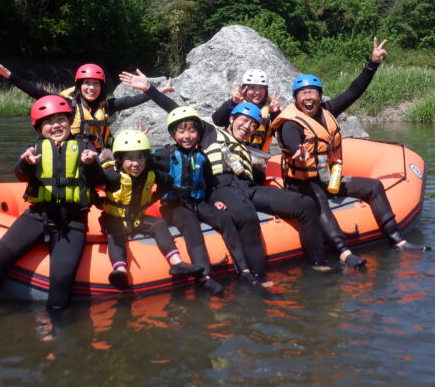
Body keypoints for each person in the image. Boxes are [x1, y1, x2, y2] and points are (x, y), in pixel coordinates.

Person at [119, 69, 332, 287]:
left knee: (305, 204)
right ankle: (258, 278)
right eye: (243, 120)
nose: (247, 127)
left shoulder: (250, 149)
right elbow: (181, 114)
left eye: (253, 124)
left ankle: (317, 261)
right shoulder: (211, 134)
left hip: (248, 188)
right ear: (231, 119)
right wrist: (150, 90)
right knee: (246, 215)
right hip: (220, 185)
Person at [271, 37, 429, 270]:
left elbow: (354, 91)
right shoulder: (289, 122)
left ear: (319, 96)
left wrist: (372, 63)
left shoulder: (327, 110)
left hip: (327, 177)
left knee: (374, 186)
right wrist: (298, 151)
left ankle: (398, 239)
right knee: (319, 202)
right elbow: (291, 140)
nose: (308, 97)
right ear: (296, 98)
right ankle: (344, 253)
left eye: (313, 92)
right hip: (301, 183)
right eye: (303, 93)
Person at [0, 95, 102, 320]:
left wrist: (92, 165)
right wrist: (26, 163)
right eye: (48, 121)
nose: (56, 125)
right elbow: (20, 174)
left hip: (72, 221)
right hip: (38, 215)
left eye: (61, 119)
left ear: (69, 120)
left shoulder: (85, 148)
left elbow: (101, 181)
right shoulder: (33, 150)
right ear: (39, 127)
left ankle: (56, 322)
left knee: (63, 276)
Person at [152, 106, 256, 295]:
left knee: (224, 218)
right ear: (173, 133)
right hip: (174, 206)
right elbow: (144, 164)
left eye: (192, 131)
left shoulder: (202, 157)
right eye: (181, 131)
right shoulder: (164, 155)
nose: (187, 136)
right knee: (191, 224)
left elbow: (209, 184)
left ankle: (245, 270)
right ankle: (205, 277)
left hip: (197, 202)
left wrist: (214, 201)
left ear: (199, 134)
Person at [0, 53, 169, 152]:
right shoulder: (66, 103)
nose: (91, 88)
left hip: (100, 157)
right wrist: (6, 74)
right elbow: (36, 92)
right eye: (87, 84)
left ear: (101, 87)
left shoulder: (106, 106)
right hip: (75, 156)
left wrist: (156, 92)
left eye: (96, 84)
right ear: (79, 86)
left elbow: (132, 100)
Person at [100, 129, 203, 290]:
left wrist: (152, 199)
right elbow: (91, 182)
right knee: (115, 230)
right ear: (120, 160)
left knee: (159, 224)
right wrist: (97, 202)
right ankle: (120, 270)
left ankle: (177, 263)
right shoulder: (111, 175)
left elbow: (168, 181)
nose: (136, 163)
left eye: (140, 157)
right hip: (114, 218)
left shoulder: (151, 174)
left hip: (137, 217)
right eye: (130, 158)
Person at [211, 68, 282, 152]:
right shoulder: (236, 101)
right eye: (252, 87)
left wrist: (275, 114)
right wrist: (232, 103)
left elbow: (282, 135)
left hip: (258, 158)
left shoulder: (271, 107)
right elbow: (217, 121)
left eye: (261, 88)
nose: (257, 92)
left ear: (266, 90)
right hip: (231, 152)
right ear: (245, 88)